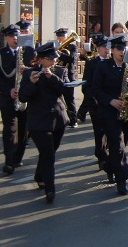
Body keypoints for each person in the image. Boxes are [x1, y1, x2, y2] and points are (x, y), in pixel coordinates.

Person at [92, 35, 128, 195]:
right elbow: (95, 90)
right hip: (108, 111)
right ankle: (122, 180)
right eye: (120, 49)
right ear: (112, 50)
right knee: (117, 143)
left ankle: (109, 166)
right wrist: (110, 101)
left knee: (120, 145)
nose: (123, 52)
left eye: (125, 49)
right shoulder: (103, 66)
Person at [18, 42, 70, 203]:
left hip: (58, 120)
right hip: (39, 122)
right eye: (50, 59)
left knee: (51, 151)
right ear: (40, 60)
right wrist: (32, 84)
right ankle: (50, 189)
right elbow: (22, 97)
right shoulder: (29, 74)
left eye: (54, 58)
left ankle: (39, 175)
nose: (54, 61)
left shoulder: (60, 71)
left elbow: (65, 89)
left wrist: (51, 77)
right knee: (48, 155)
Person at [1, 24, 36, 175]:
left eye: (17, 36)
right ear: (6, 38)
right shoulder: (1, 54)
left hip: (25, 96)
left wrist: (28, 70)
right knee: (10, 129)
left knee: (23, 130)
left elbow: (38, 70)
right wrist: (8, 90)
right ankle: (9, 160)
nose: (15, 38)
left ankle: (17, 156)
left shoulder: (28, 52)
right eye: (12, 36)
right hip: (7, 97)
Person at [78, 35, 110, 172]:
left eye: (108, 47)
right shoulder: (92, 64)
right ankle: (101, 157)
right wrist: (94, 98)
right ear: (97, 48)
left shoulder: (112, 62)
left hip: (110, 103)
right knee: (99, 131)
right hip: (95, 104)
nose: (106, 50)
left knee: (109, 131)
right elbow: (86, 86)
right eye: (104, 47)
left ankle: (106, 153)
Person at [54, 28, 79, 127]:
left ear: (66, 36)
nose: (60, 39)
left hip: (68, 75)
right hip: (57, 75)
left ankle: (73, 120)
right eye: (59, 37)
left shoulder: (72, 47)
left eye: (62, 36)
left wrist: (59, 53)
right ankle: (59, 119)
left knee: (70, 99)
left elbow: (72, 59)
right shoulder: (56, 46)